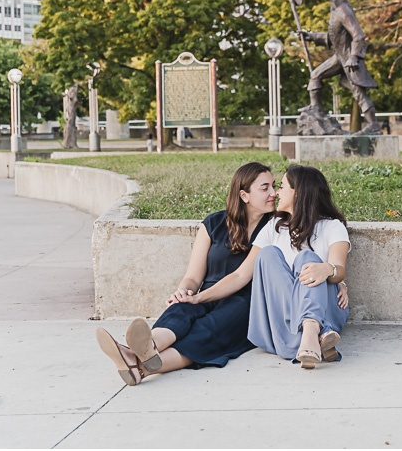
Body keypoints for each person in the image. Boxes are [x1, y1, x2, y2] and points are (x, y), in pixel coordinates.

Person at [95, 162, 277, 385]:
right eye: (265, 188)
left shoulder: (274, 227)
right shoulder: (214, 223)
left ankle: (136, 362)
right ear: (244, 195)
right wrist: (184, 292)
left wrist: (198, 296)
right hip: (207, 293)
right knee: (181, 310)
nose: (274, 193)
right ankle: (149, 347)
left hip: (245, 301)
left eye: (274, 187)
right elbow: (193, 276)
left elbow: (241, 277)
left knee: (206, 330)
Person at [248, 165, 350, 369]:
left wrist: (327, 269)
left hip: (328, 306)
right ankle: (317, 336)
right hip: (282, 314)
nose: (276, 193)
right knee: (267, 254)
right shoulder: (273, 227)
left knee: (307, 257)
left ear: (299, 193)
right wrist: (198, 297)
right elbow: (242, 273)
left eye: (282, 186)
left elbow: (339, 269)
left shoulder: (332, 227)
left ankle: (311, 329)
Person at [299, 0, 381, 135]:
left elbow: (358, 36)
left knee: (358, 93)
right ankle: (316, 109)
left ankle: (373, 125)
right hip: (340, 57)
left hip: (349, 60)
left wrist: (354, 57)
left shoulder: (343, 11)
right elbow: (334, 38)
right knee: (315, 75)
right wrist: (310, 36)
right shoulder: (335, 11)